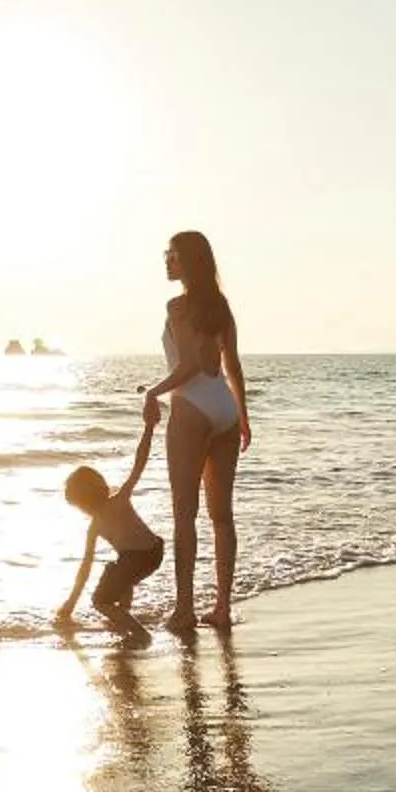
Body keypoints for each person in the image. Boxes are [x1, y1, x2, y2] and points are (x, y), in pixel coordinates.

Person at [141, 228, 251, 635]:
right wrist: (242, 416)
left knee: (184, 514)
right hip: (223, 408)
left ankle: (184, 611)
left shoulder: (178, 307)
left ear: (189, 261)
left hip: (191, 408)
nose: (167, 261)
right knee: (222, 516)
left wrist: (153, 392)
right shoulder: (221, 306)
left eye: (172, 255)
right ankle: (222, 608)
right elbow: (232, 367)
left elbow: (187, 367)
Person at [55, 420, 165, 635]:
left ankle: (139, 632)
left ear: (83, 502)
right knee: (118, 571)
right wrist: (149, 428)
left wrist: (71, 603)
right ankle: (123, 613)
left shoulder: (97, 524)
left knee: (100, 601)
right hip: (155, 552)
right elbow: (139, 465)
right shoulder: (119, 500)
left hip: (136, 559)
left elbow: (85, 568)